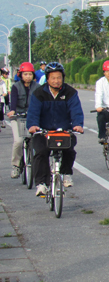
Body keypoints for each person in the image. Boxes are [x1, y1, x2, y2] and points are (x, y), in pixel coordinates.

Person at [27, 62, 84, 197]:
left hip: (63, 131)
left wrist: (77, 124)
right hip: (44, 132)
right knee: (41, 152)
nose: (56, 81)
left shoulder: (70, 92)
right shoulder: (38, 94)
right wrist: (33, 125)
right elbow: (33, 112)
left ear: (63, 78)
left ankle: (66, 174)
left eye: (59, 77)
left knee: (69, 150)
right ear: (47, 79)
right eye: (53, 78)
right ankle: (41, 184)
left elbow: (76, 111)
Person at [7, 62, 40, 178]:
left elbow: (41, 101)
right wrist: (12, 111)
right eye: (25, 74)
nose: (28, 77)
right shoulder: (16, 87)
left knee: (39, 142)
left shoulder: (37, 87)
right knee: (18, 141)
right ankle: (16, 166)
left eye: (30, 74)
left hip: (33, 118)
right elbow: (13, 102)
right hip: (18, 117)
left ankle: (39, 167)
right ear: (20, 75)